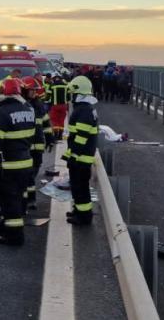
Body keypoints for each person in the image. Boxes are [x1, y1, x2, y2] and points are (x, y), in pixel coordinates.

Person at [0, 78, 36, 246]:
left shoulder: (2, 113)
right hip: (25, 163)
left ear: (3, 92)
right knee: (16, 199)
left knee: (9, 201)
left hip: (9, 166)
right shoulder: (28, 109)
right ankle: (4, 228)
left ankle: (14, 236)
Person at [64, 75, 99, 226]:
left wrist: (72, 155)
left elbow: (81, 137)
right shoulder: (85, 108)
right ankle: (79, 211)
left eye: (73, 94)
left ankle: (84, 217)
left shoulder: (84, 111)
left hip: (81, 158)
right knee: (78, 187)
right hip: (81, 156)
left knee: (81, 188)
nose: (71, 97)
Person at [21, 77, 50, 209]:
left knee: (32, 174)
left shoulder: (38, 105)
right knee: (27, 175)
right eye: (32, 90)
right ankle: (27, 200)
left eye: (35, 90)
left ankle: (29, 199)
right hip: (25, 146)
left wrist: (50, 138)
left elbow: (46, 122)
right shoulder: (21, 105)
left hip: (37, 146)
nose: (34, 93)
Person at [48, 75, 69, 142]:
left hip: (55, 106)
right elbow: (69, 97)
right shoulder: (66, 85)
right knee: (61, 120)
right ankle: (60, 135)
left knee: (54, 120)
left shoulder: (52, 85)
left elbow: (48, 96)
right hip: (64, 106)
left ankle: (56, 135)